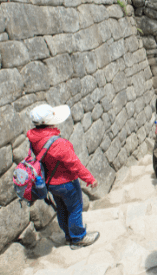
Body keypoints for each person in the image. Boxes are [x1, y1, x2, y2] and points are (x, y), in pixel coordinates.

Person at [27, 104, 99, 249]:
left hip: (50, 183)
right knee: (75, 208)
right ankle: (78, 237)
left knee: (61, 209)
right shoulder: (58, 143)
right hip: (66, 182)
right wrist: (90, 179)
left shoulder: (34, 138)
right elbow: (74, 164)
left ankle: (68, 235)